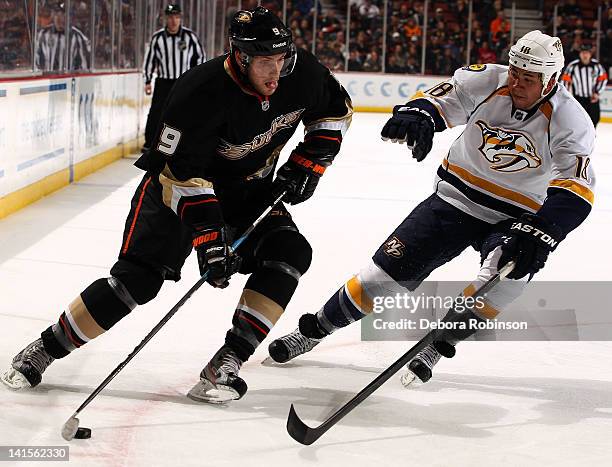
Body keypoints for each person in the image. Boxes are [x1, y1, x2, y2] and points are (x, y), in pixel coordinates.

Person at [2, 7, 352, 404]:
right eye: (265, 61)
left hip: (246, 193)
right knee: (136, 282)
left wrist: (309, 164)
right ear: (240, 56)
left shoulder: (301, 73)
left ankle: (226, 362)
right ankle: (45, 348)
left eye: (281, 58)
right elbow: (177, 175)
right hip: (176, 192)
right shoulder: (197, 93)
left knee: (289, 252)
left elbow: (335, 112)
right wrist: (209, 236)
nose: (276, 72)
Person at [268, 31, 596, 387]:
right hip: (454, 201)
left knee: (507, 275)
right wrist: (421, 115)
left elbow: (574, 186)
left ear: (551, 80)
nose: (517, 81)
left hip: (515, 217)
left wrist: (544, 230)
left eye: (528, 78)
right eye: (515, 70)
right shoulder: (489, 79)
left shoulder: (570, 120)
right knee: (382, 276)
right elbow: (445, 98)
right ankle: (316, 328)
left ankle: (440, 343)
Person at [142, 4, 205, 151]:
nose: (173, 20)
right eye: (170, 17)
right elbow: (149, 60)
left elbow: (200, 57)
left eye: (176, 17)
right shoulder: (157, 38)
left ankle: (187, 142)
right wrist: (147, 80)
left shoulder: (190, 37)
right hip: (163, 81)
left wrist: (197, 79)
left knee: (186, 112)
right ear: (165, 18)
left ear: (180, 18)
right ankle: (150, 143)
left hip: (183, 81)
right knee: (156, 112)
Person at [561, 44, 608, 127]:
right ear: (580, 54)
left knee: (594, 119)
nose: (585, 55)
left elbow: (603, 79)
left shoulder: (597, 66)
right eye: (583, 53)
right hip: (579, 99)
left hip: (592, 99)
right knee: (578, 121)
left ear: (590, 54)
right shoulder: (573, 66)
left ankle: (591, 138)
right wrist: (568, 95)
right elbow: (565, 81)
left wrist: (597, 92)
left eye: (587, 53)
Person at [35, 2, 90, 72]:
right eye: (57, 14)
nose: (60, 18)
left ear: (69, 17)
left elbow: (83, 66)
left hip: (68, 80)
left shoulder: (77, 36)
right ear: (53, 15)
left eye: (63, 15)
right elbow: (36, 61)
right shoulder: (42, 34)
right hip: (47, 80)